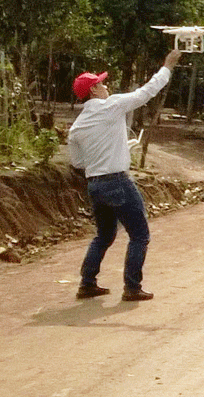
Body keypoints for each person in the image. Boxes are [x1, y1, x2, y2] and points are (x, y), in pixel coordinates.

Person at [68, 49, 181, 302]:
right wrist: (168, 66)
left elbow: (77, 162)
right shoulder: (113, 106)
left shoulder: (76, 127)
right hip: (117, 181)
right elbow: (147, 92)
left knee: (104, 236)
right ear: (94, 91)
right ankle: (132, 287)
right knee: (140, 235)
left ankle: (87, 283)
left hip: (94, 184)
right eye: (101, 83)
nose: (106, 85)